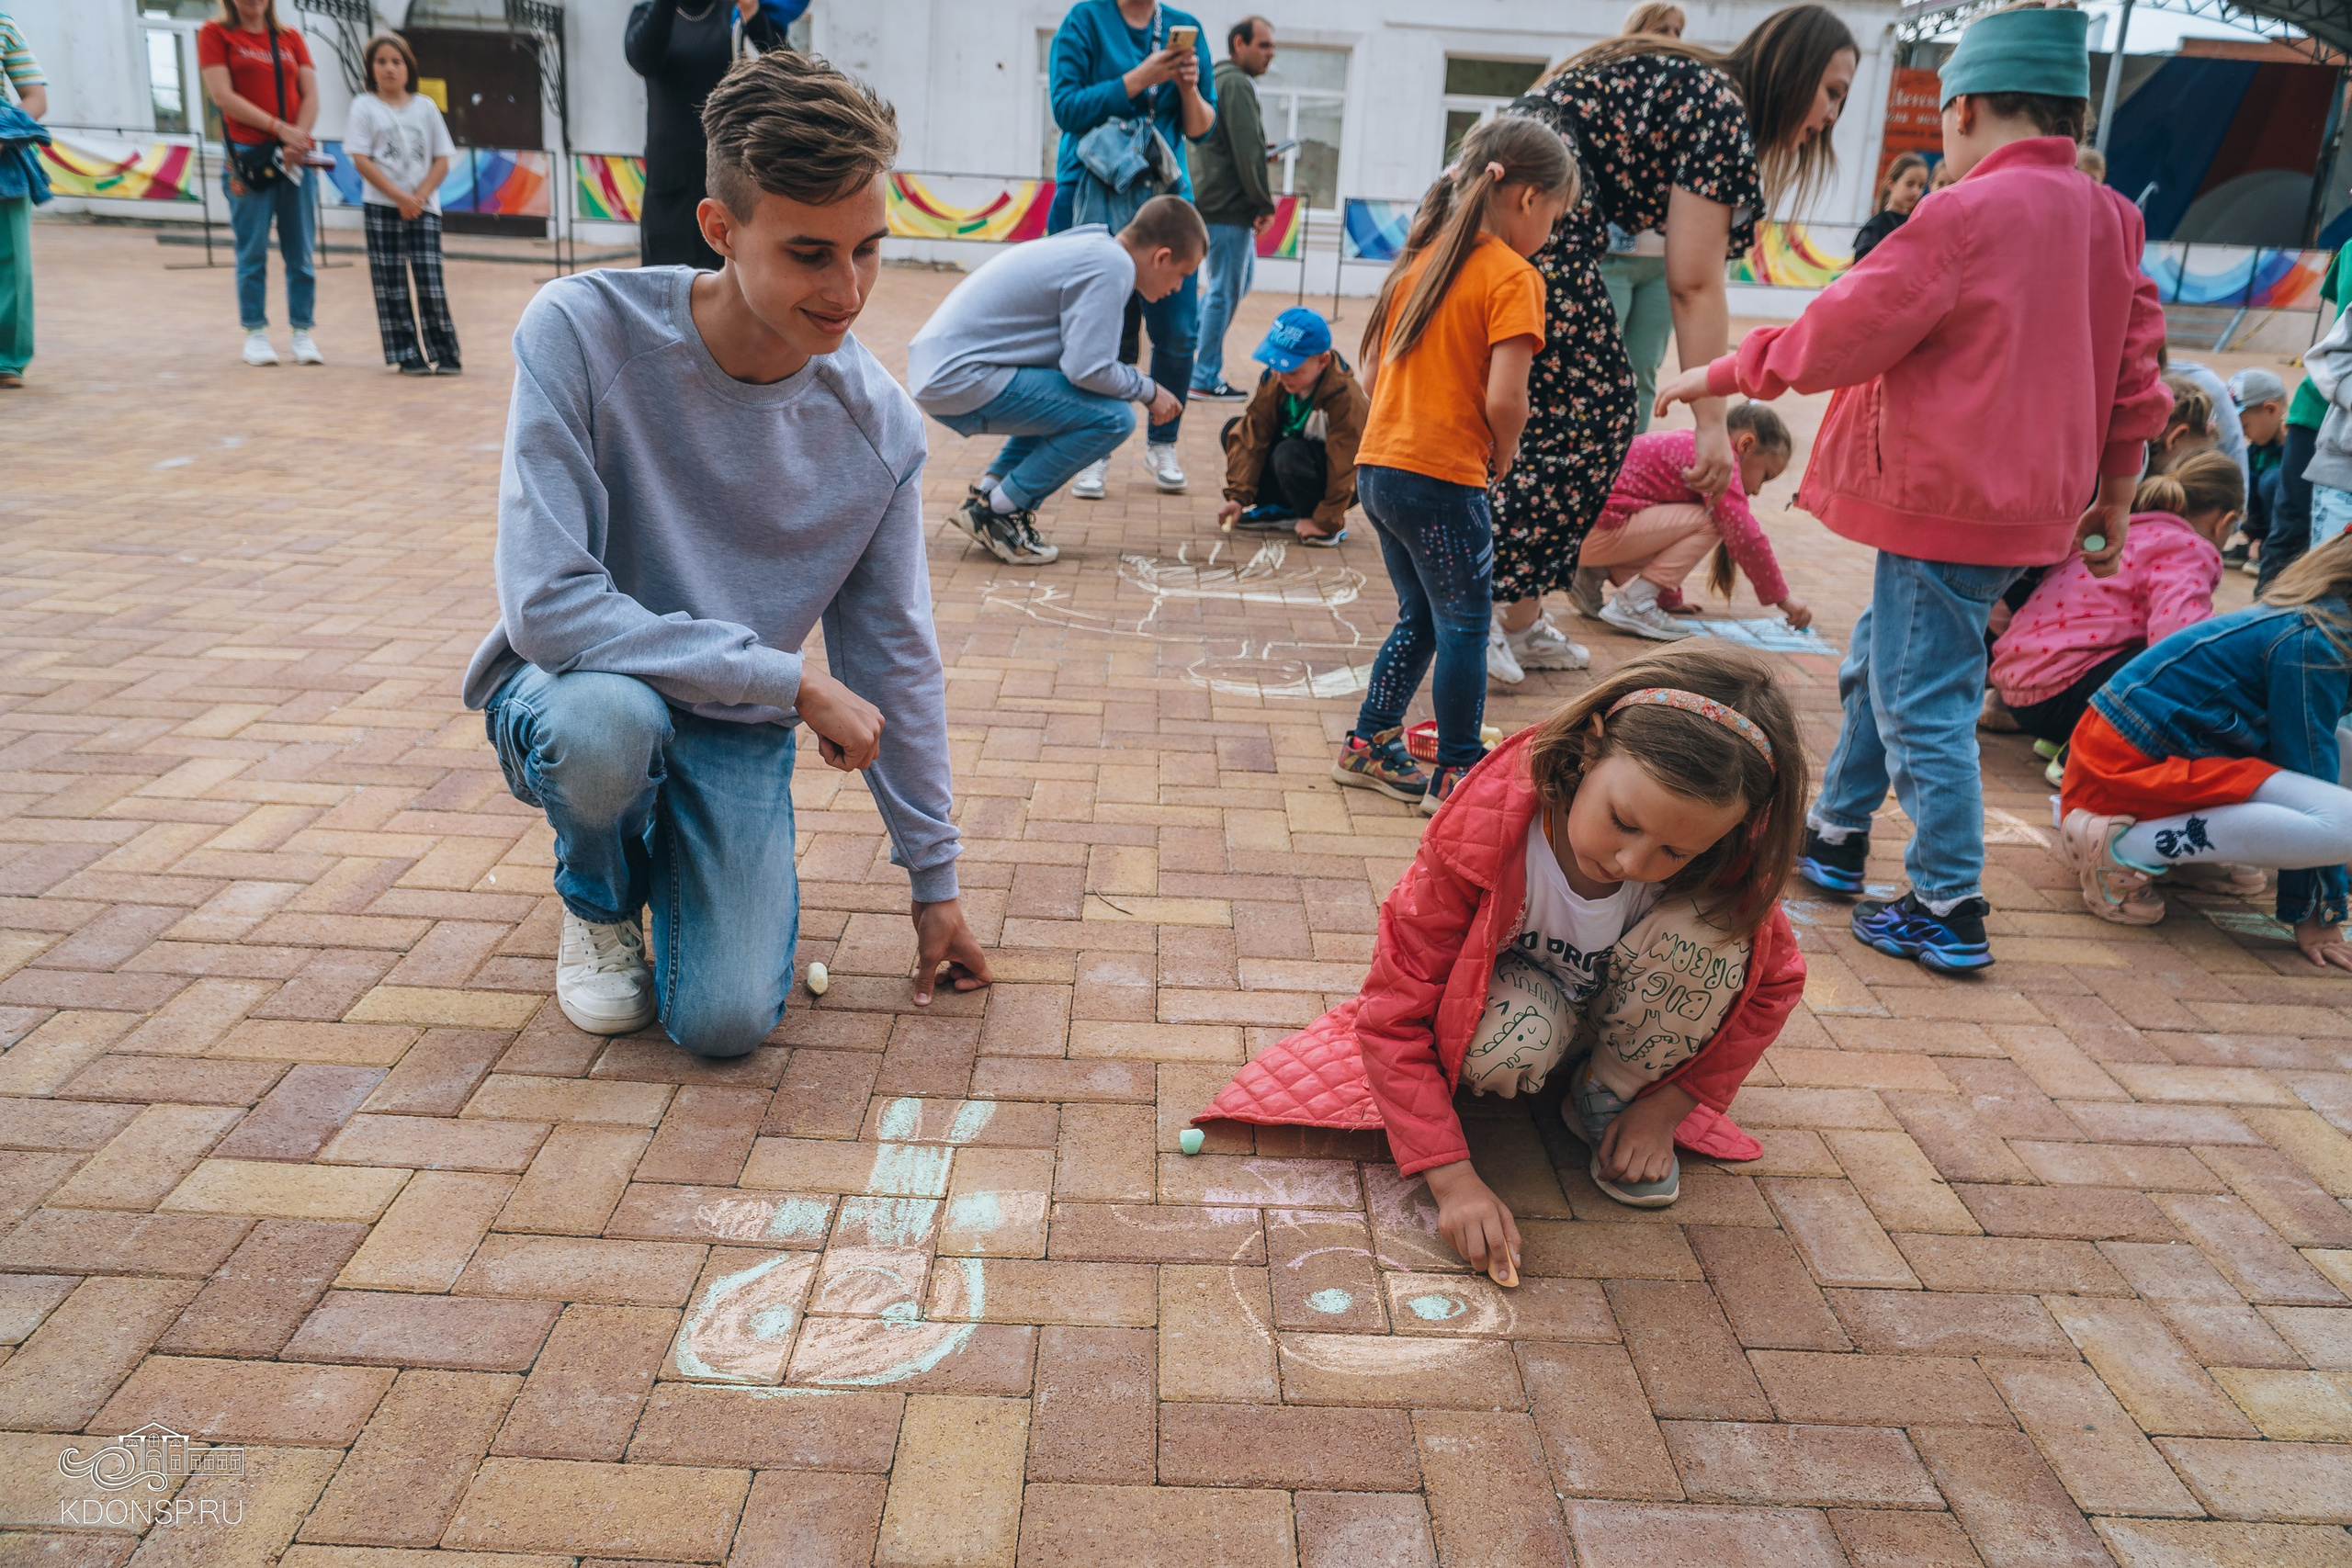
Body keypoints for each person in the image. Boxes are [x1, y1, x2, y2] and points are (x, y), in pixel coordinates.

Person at [463, 51, 989, 1055]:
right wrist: (791, 680)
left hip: (733, 723)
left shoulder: (879, 428)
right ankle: (600, 896)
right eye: (810, 253)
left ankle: (676, 844)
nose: (848, 289)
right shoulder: (579, 331)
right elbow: (547, 606)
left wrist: (935, 881)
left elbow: (894, 656)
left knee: (723, 1023)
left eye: (868, 248)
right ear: (720, 228)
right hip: (582, 691)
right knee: (608, 730)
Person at [1659, 4, 2167, 973]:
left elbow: (1848, 323)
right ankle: (1836, 831)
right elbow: (2136, 371)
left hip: (1947, 505)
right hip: (2029, 509)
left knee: (1920, 698)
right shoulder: (2113, 218)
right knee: (1885, 665)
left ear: (1963, 108)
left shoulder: (1965, 212)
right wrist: (2117, 488)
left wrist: (1723, 371)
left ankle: (1947, 901)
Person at [1195, 646, 1805, 1258]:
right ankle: (1564, 1065)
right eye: (1623, 821)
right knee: (1503, 1046)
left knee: (1715, 941)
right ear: (1590, 747)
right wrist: (1452, 1181)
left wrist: (1666, 1110)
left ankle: (1607, 1092)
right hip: (1531, 1011)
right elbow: (1392, 1016)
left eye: (1677, 852)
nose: (1632, 862)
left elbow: (1775, 984)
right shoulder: (1483, 836)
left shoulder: (1731, 861)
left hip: (1631, 1030)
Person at [1487, 6, 1859, 689]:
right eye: (1831, 91)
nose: (1832, 114)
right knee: (1588, 408)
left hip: (1529, 188)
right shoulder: (1721, 108)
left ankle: (1515, 612)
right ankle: (1486, 608)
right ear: (1794, 69)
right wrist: (1712, 424)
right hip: (1534, 195)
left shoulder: (1704, 91)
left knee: (1594, 410)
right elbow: (1693, 281)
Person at [1333, 117, 1570, 816]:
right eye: (1555, 216)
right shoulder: (1515, 276)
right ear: (1528, 198)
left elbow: (1371, 375)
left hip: (1379, 469)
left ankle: (1370, 741)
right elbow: (1506, 399)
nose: (1551, 230)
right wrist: (1507, 450)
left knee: (1423, 617)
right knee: (1465, 626)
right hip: (1442, 478)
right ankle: (1459, 772)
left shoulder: (1421, 261)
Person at [2056, 533, 2352, 970]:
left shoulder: (2327, 622)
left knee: (2342, 766)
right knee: (2345, 825)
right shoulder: (2319, 640)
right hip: (2124, 767)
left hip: (2154, 751)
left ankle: (2176, 847)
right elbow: (2308, 762)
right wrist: (2319, 911)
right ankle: (2121, 846)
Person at [907, 196, 1203, 566]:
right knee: (1114, 417)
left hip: (941, 371)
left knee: (1072, 402)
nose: (1179, 288)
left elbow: (1077, 371)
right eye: (1184, 274)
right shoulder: (1112, 265)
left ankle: (987, 498)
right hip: (959, 377)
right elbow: (1088, 368)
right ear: (1161, 257)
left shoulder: (1093, 249)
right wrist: (1150, 390)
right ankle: (998, 514)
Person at [1047, 0, 1216, 499]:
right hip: (1092, 191)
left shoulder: (1185, 26)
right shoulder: (1085, 19)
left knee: (1180, 331)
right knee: (1103, 330)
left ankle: (1163, 442)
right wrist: (1141, 78)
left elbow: (1201, 128)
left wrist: (1187, 87)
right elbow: (1066, 109)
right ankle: (1093, 446)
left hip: (1164, 198)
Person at [1991, 451, 2240, 750]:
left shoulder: (2120, 532)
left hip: (2020, 689)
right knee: (2181, 663)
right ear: (2225, 521)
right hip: (2066, 692)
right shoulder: (2188, 547)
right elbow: (2179, 637)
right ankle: (2087, 751)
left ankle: (2070, 741)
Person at [1575, 401, 1808, 640]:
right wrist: (1783, 598)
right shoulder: (1716, 460)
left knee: (1705, 514)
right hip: (1596, 533)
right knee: (1712, 520)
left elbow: (1666, 526)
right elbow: (1745, 536)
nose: (1757, 491)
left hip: (1576, 535)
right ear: (1746, 445)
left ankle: (1590, 575)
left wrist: (1668, 597)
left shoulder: (1695, 445)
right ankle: (1635, 602)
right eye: (1765, 476)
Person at [199, 0, 324, 368]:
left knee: (300, 249)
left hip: (295, 156)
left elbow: (311, 95)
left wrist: (297, 138)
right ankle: (255, 332)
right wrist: (278, 129)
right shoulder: (216, 34)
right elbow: (222, 97)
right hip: (248, 156)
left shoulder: (291, 38)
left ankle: (302, 331)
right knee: (252, 250)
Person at [625, 0, 794, 271]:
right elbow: (643, 60)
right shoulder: (650, 12)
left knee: (726, 279)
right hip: (670, 182)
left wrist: (753, 15)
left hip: (725, 175)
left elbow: (788, 70)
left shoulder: (732, 10)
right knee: (663, 281)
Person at [345, 32, 460, 377]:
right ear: (371, 68)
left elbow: (442, 158)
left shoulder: (425, 107)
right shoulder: (364, 107)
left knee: (430, 281)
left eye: (396, 61)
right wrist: (399, 197)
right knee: (391, 282)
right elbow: (361, 159)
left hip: (424, 207)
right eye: (381, 62)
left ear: (408, 67)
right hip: (382, 206)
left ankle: (445, 352)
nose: (389, 68)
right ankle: (407, 352)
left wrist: (418, 198)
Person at [1599, 0, 1687, 437]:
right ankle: (1592, 459)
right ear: (1637, 32)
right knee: (1599, 368)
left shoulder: (1690, 100)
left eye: (1677, 31)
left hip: (1663, 262)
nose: (1671, 39)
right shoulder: (1607, 91)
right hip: (1612, 254)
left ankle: (1630, 460)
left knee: (1643, 371)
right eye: (1662, 28)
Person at [1215, 306, 1366, 547]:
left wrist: (1327, 522)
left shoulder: (1346, 399)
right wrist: (1238, 498)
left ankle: (1312, 516)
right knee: (1236, 429)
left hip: (1338, 480)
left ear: (1323, 361)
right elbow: (1254, 434)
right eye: (1275, 366)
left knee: (1289, 454)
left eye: (1292, 371)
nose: (1280, 377)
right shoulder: (1275, 379)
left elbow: (1346, 466)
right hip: (1294, 464)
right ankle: (1281, 509)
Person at [1188, 15, 1277, 402]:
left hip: (1214, 199)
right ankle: (1202, 377)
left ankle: (1184, 342)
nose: (1271, 53)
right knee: (1224, 291)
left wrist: (1257, 155)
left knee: (1235, 284)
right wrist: (1263, 202)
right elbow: (1246, 150)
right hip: (1226, 204)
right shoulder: (1237, 83)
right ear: (1239, 44)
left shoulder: (1217, 79)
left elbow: (1230, 144)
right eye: (1264, 45)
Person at [2271, 243, 2352, 591]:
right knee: (2294, 534)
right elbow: (2334, 348)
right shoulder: (2350, 249)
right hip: (2328, 425)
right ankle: (2274, 614)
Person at [0, 7, 45, 391]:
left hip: (3, 157)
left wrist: (5, 133)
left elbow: (35, 98)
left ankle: (7, 360)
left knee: (12, 262)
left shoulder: (4, 23)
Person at [2229, 367, 2288, 571]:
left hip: (2293, 534)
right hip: (2264, 531)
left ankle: (2276, 553)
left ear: (2271, 410)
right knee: (2240, 474)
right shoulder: (2256, 449)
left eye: (2244, 426)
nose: (2243, 434)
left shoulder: (2299, 443)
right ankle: (2256, 544)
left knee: (2272, 480)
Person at [1849, 151, 1927, 263]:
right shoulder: (1875, 226)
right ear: (1891, 184)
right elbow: (1861, 265)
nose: (1916, 192)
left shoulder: (1916, 225)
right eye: (1910, 184)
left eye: (1921, 186)